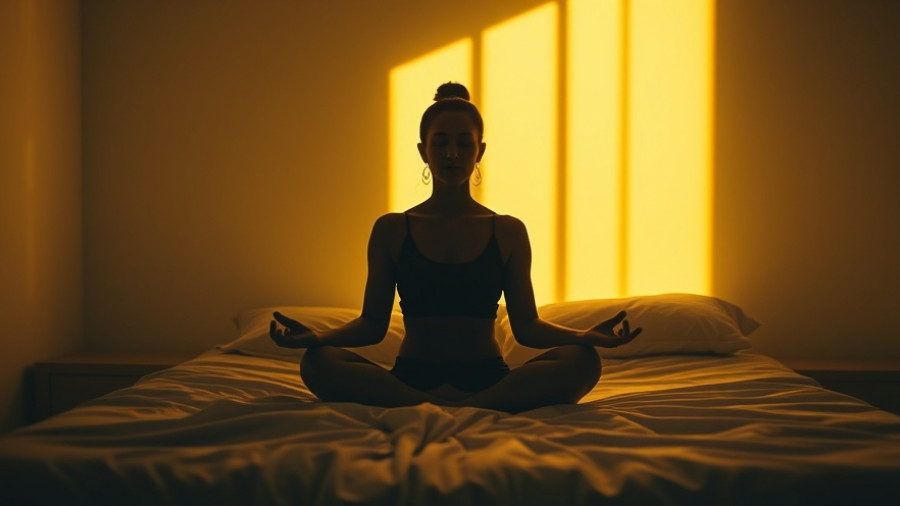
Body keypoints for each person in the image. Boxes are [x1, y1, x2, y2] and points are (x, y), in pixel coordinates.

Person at [270, 82, 641, 413]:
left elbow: (527, 327)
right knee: (318, 362)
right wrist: (318, 338)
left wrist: (584, 337)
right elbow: (371, 325)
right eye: (440, 142)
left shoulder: (508, 231)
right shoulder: (392, 229)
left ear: (479, 150)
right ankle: (462, 409)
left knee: (583, 360)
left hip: (488, 377)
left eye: (464, 143)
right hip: (409, 378)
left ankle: (456, 406)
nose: (452, 153)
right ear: (423, 150)